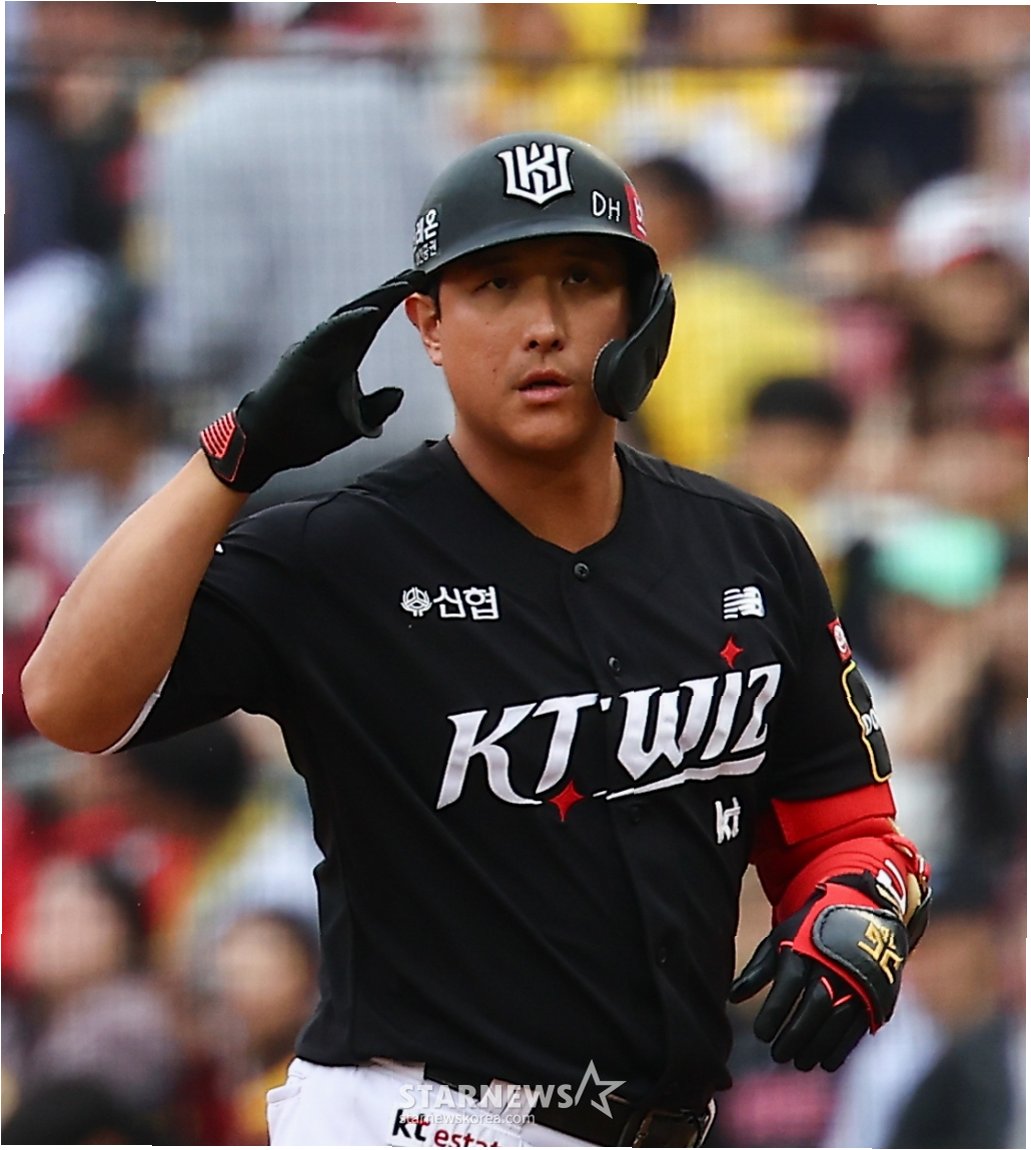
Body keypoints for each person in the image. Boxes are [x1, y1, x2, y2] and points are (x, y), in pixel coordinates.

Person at [23, 131, 931, 1148]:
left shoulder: (748, 548)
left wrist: (859, 904)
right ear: (428, 323)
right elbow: (68, 702)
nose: (542, 326)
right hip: (412, 1115)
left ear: (639, 308)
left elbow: (848, 829)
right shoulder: (341, 552)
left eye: (580, 279)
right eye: (496, 285)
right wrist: (234, 457)